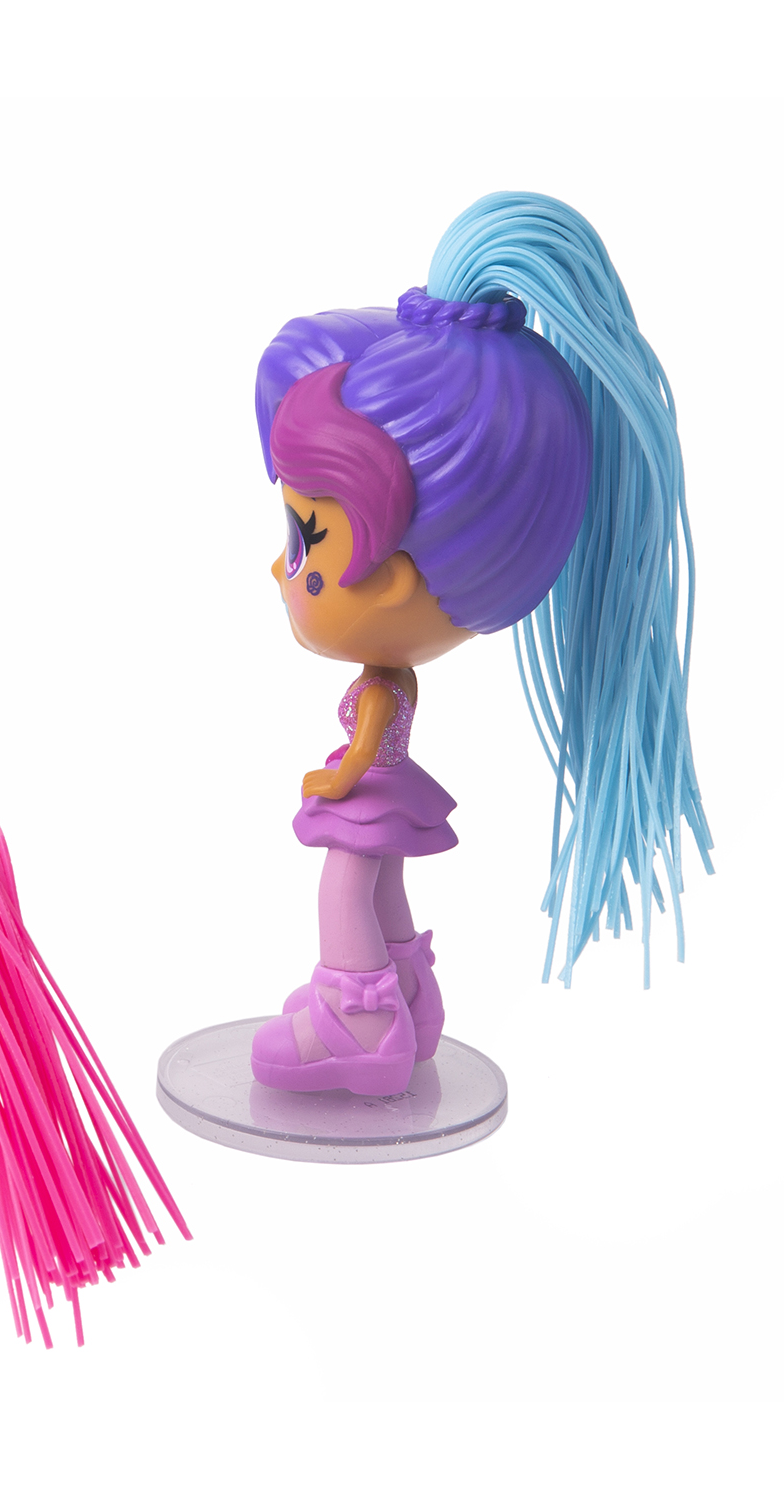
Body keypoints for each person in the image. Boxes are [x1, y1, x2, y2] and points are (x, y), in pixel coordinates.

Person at [249, 192, 712, 1095]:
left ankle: (357, 1016)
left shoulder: (382, 690)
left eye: (307, 538)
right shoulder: (395, 680)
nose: (280, 565)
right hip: (391, 794)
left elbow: (365, 746)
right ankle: (406, 994)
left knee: (342, 885)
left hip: (370, 792)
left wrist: (333, 781)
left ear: (393, 577)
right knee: (380, 884)